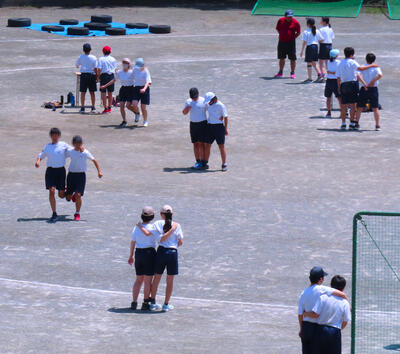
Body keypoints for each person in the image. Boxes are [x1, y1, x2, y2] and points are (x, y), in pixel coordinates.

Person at [138, 205, 183, 312]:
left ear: (161, 214)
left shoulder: (157, 224)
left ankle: (152, 302)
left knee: (157, 278)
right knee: (170, 280)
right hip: (172, 253)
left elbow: (149, 233)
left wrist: (140, 226)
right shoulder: (177, 225)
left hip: (161, 252)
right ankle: (166, 304)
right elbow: (180, 242)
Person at [298, 267, 348, 354]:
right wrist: (347, 302)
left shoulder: (303, 293)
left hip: (306, 326)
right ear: (320, 279)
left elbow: (300, 314)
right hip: (316, 328)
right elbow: (341, 294)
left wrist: (301, 328)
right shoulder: (322, 289)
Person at [336, 47, 377, 130]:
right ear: (352, 54)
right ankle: (351, 122)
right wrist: (372, 65)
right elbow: (361, 69)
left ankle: (343, 123)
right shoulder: (353, 62)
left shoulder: (340, 63)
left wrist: (339, 87)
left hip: (344, 84)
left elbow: (338, 77)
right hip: (352, 84)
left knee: (343, 106)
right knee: (352, 105)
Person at [35, 128, 70, 222]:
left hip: (61, 171)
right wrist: (38, 161)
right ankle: (54, 213)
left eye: (56, 135)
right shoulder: (47, 146)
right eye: (53, 135)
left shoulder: (64, 145)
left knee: (61, 195)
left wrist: (81, 148)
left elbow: (73, 150)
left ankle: (67, 192)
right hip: (50, 171)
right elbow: (41, 155)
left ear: (59, 136)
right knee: (51, 191)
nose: (55, 137)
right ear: (51, 136)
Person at [65, 135, 102, 221]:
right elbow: (61, 153)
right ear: (73, 144)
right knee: (68, 198)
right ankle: (70, 193)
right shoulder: (70, 151)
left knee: (78, 195)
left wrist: (99, 171)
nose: (78, 145)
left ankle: (77, 213)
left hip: (81, 176)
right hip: (71, 175)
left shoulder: (85, 152)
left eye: (80, 143)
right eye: (76, 144)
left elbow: (94, 160)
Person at [128, 206, 158, 311]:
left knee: (138, 280)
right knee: (147, 281)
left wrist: (131, 255)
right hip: (149, 253)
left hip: (138, 253)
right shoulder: (153, 227)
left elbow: (133, 242)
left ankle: (134, 302)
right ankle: (145, 303)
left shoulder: (136, 227)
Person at [101, 58, 134, 127]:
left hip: (131, 89)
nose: (124, 64)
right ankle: (124, 121)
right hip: (123, 89)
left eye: (126, 63)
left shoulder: (132, 72)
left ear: (129, 64)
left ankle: (136, 112)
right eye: (123, 63)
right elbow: (113, 80)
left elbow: (138, 80)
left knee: (128, 106)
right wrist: (105, 86)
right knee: (121, 106)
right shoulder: (120, 72)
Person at [355, 53, 383, 131]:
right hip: (373, 88)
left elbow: (358, 76)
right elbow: (380, 75)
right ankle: (377, 125)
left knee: (359, 107)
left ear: (366, 59)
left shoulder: (363, 66)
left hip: (364, 88)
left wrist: (364, 83)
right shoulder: (376, 67)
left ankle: (356, 123)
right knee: (375, 108)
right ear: (374, 59)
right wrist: (372, 81)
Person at [182, 87, 208, 170]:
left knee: (202, 143)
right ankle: (198, 161)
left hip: (203, 123)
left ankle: (204, 162)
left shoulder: (203, 100)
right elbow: (184, 113)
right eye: (193, 97)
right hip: (193, 124)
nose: (195, 99)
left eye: (196, 97)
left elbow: (210, 110)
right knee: (195, 143)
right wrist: (188, 107)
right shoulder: (188, 101)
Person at [203, 92, 229, 172]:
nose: (208, 102)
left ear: (214, 99)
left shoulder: (221, 105)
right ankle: (206, 163)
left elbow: (226, 117)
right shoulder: (208, 104)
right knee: (207, 145)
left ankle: (224, 164)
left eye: (209, 101)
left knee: (221, 146)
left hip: (219, 128)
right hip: (210, 126)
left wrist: (225, 129)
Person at [275, 9, 301, 79]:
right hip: (281, 42)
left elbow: (298, 32)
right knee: (281, 58)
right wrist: (282, 35)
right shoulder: (280, 20)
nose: (290, 18)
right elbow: (278, 29)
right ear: (285, 16)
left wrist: (292, 38)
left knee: (292, 58)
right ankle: (280, 72)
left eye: (291, 16)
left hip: (291, 43)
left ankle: (292, 72)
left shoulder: (296, 23)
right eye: (288, 16)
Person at [75, 43, 97, 114]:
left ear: (83, 50)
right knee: (92, 92)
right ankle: (93, 107)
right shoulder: (94, 57)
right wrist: (97, 76)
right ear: (90, 50)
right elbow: (96, 68)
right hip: (91, 75)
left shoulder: (81, 57)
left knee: (83, 92)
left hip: (84, 75)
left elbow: (77, 65)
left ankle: (82, 107)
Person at [300, 18, 323, 83]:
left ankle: (310, 79)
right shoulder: (317, 31)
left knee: (309, 63)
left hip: (310, 47)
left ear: (308, 24)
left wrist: (302, 51)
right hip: (315, 47)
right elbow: (321, 39)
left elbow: (304, 42)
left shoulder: (306, 32)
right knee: (314, 63)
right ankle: (320, 75)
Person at [96, 46, 117, 114]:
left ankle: (105, 108)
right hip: (111, 75)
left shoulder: (101, 59)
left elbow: (99, 69)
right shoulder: (113, 59)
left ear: (103, 52)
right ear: (110, 51)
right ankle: (109, 107)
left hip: (104, 75)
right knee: (110, 93)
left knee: (103, 92)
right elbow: (115, 69)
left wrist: (98, 77)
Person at [132, 58, 151, 127]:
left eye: (140, 66)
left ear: (143, 65)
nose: (138, 68)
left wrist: (144, 89)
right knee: (134, 104)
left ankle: (145, 121)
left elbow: (148, 82)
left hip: (144, 89)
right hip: (136, 88)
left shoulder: (146, 71)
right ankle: (137, 113)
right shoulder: (134, 69)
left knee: (143, 107)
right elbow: (130, 76)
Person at [324, 49, 341, 118]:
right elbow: (337, 73)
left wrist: (330, 72)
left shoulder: (328, 62)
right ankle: (342, 112)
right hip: (335, 81)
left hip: (328, 81)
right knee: (339, 98)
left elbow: (328, 71)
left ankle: (328, 112)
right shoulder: (338, 62)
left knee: (328, 98)